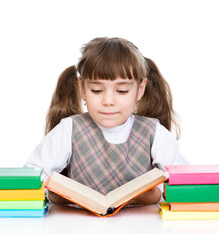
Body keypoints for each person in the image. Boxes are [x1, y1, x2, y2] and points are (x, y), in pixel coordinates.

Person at [24, 37, 187, 207]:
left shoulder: (153, 132)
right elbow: (33, 176)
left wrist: (158, 191)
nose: (108, 101)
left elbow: (184, 182)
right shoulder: (70, 129)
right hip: (77, 227)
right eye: (97, 90)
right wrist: (53, 192)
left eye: (122, 91)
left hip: (141, 229)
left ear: (139, 90)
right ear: (82, 89)